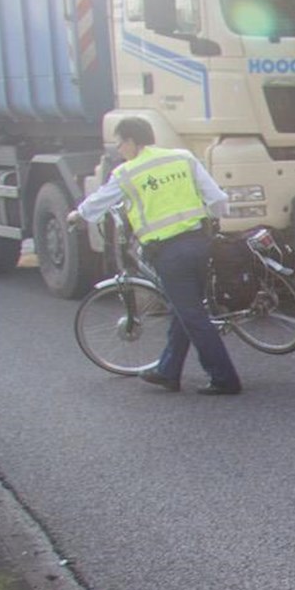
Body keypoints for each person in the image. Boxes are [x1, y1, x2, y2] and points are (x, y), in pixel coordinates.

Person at [69, 117, 242, 396]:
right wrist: (213, 221)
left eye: (119, 143)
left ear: (130, 142)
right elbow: (216, 199)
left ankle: (224, 377)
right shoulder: (182, 158)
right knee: (183, 309)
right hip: (199, 244)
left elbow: (100, 201)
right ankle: (168, 371)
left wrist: (78, 215)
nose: (118, 149)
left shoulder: (127, 172)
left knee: (192, 314)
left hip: (169, 253)